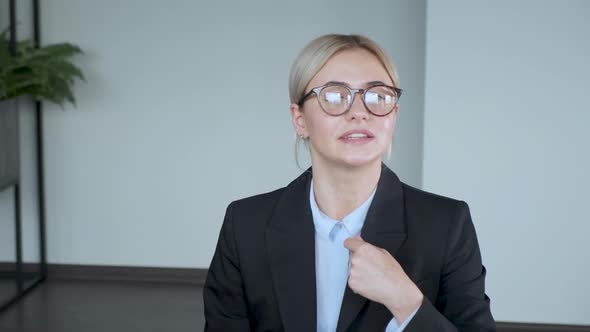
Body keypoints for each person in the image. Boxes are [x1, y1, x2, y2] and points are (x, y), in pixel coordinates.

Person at [203, 34, 495, 332]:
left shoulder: (446, 225)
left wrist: (407, 303)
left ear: (394, 114)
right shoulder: (245, 225)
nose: (359, 112)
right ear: (299, 119)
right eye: (334, 96)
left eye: (378, 96)